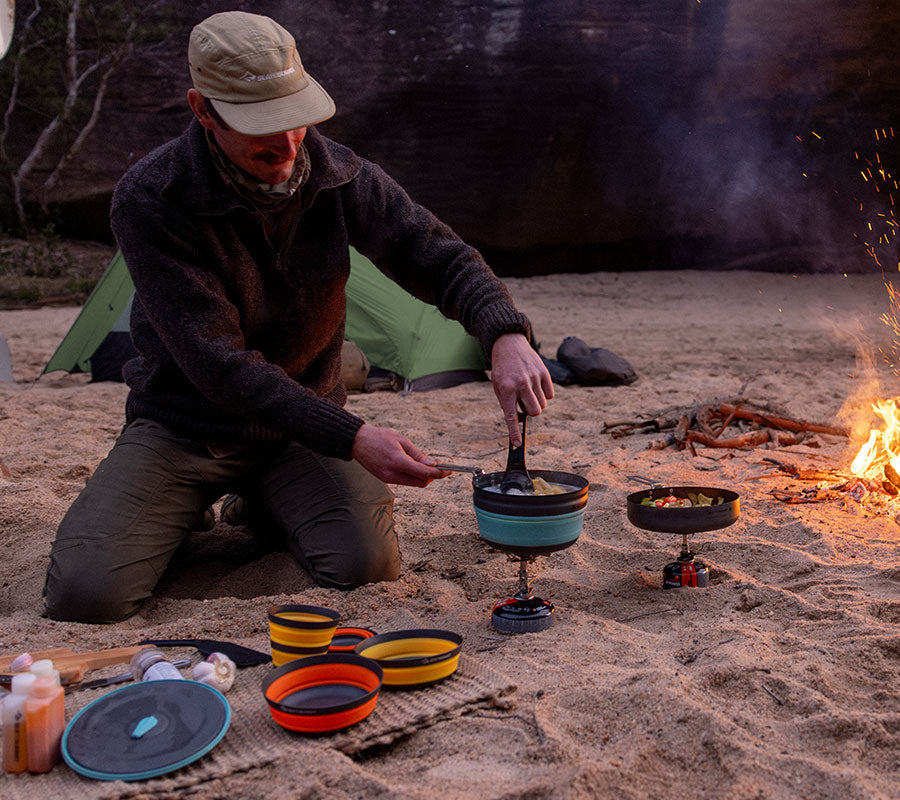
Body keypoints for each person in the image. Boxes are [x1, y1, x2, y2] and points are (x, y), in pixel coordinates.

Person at [43, 10, 552, 623]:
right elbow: (218, 363)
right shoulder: (153, 197)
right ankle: (189, 504)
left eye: (295, 119)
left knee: (364, 565)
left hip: (298, 432)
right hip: (183, 428)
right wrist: (353, 437)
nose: (287, 144)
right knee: (86, 596)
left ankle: (258, 504)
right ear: (203, 110)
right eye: (261, 125)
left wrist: (503, 333)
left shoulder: (338, 174)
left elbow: (436, 255)